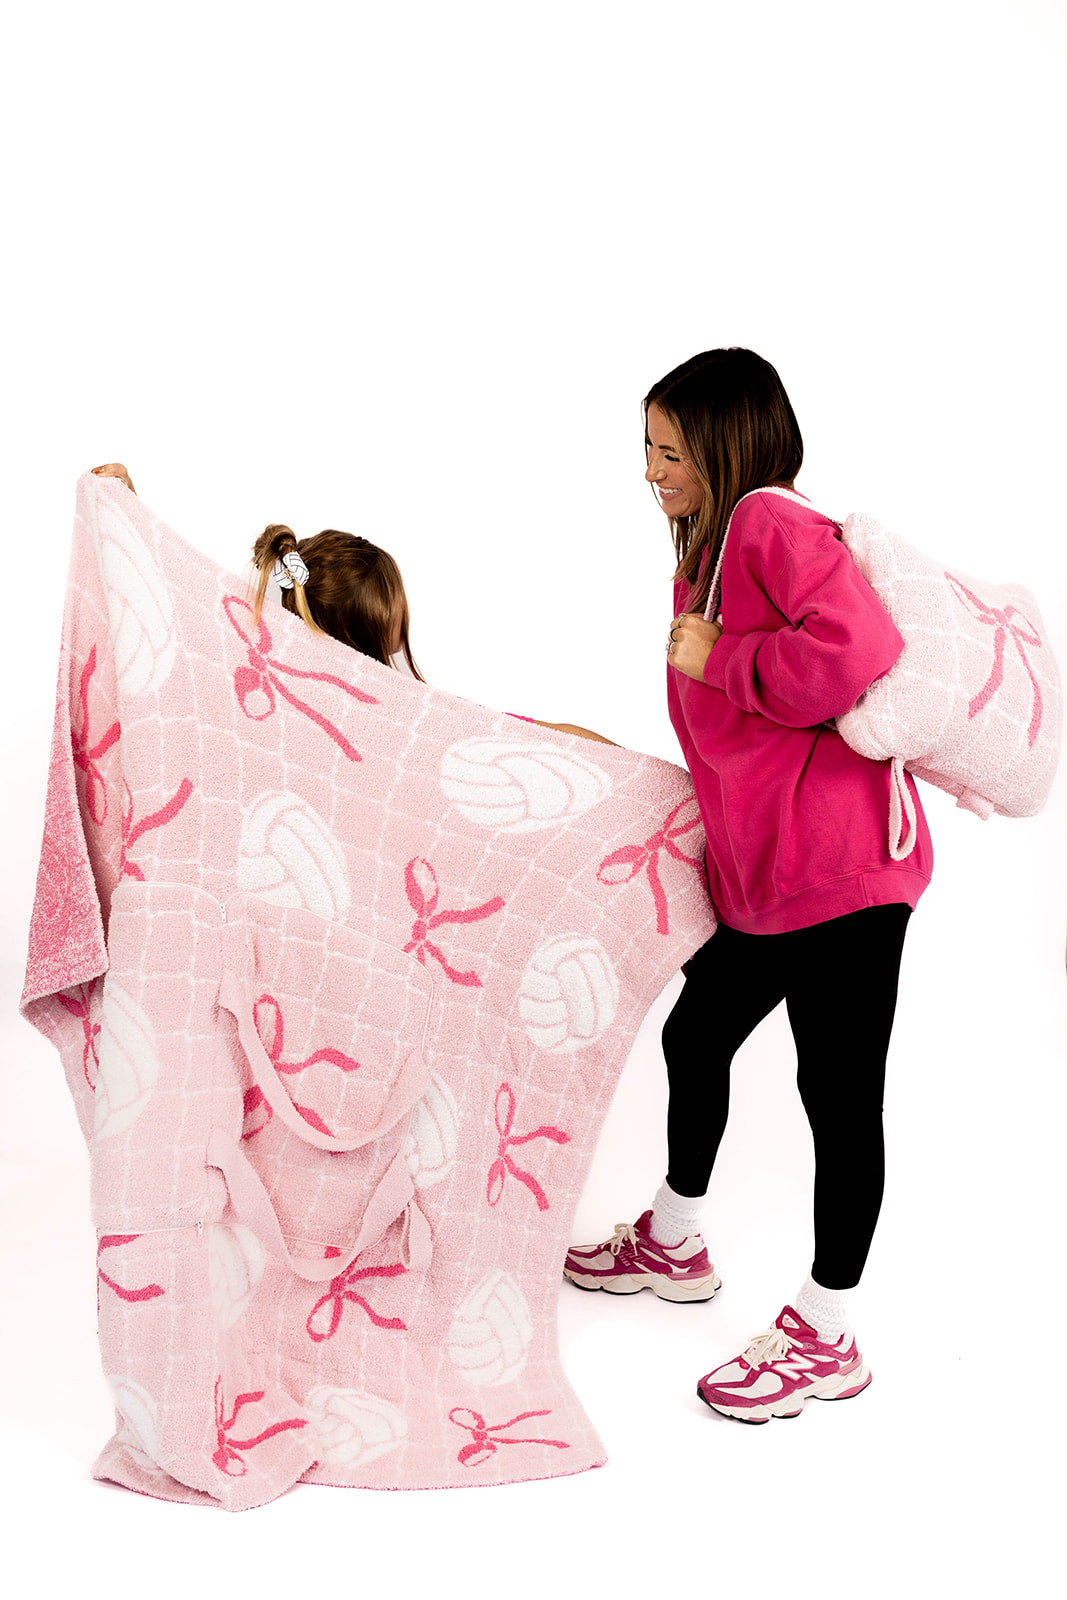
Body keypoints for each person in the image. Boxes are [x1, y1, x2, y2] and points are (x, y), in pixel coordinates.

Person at [562, 349, 933, 1424]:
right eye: (644, 445)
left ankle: (828, 1328)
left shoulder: (768, 528)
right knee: (695, 1035)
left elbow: (860, 648)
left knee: (836, 1095)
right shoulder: (714, 551)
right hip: (774, 883)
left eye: (668, 450)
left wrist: (718, 659)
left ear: (724, 448)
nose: (647, 470)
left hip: (845, 878)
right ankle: (674, 1240)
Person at [90, 463, 611, 744]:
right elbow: (527, 734)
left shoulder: (253, 687)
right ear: (372, 641)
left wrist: (127, 509)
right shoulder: (404, 723)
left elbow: (176, 616)